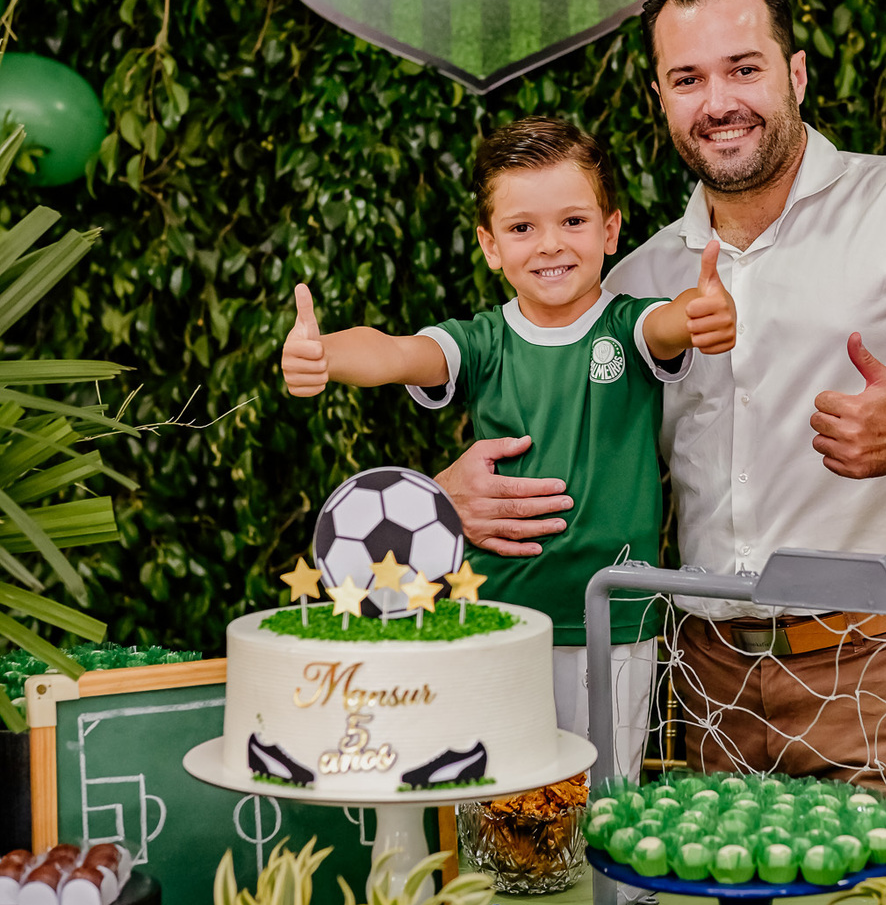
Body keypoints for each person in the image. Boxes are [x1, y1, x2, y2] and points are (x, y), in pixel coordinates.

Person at [437, 0, 886, 863]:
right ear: (662, 98)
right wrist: (454, 497)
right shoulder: (633, 289)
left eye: (744, 69)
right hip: (708, 680)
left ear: (795, 73)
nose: (719, 101)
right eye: (689, 79)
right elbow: (568, 462)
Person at [279, 115, 737, 779]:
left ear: (610, 230)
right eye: (523, 228)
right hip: (496, 617)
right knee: (502, 797)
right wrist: (324, 354)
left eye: (573, 222)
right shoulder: (483, 342)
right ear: (491, 246)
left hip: (616, 626)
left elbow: (670, 323)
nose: (550, 245)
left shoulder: (627, 326)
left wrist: (700, 313)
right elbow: (397, 351)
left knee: (603, 803)